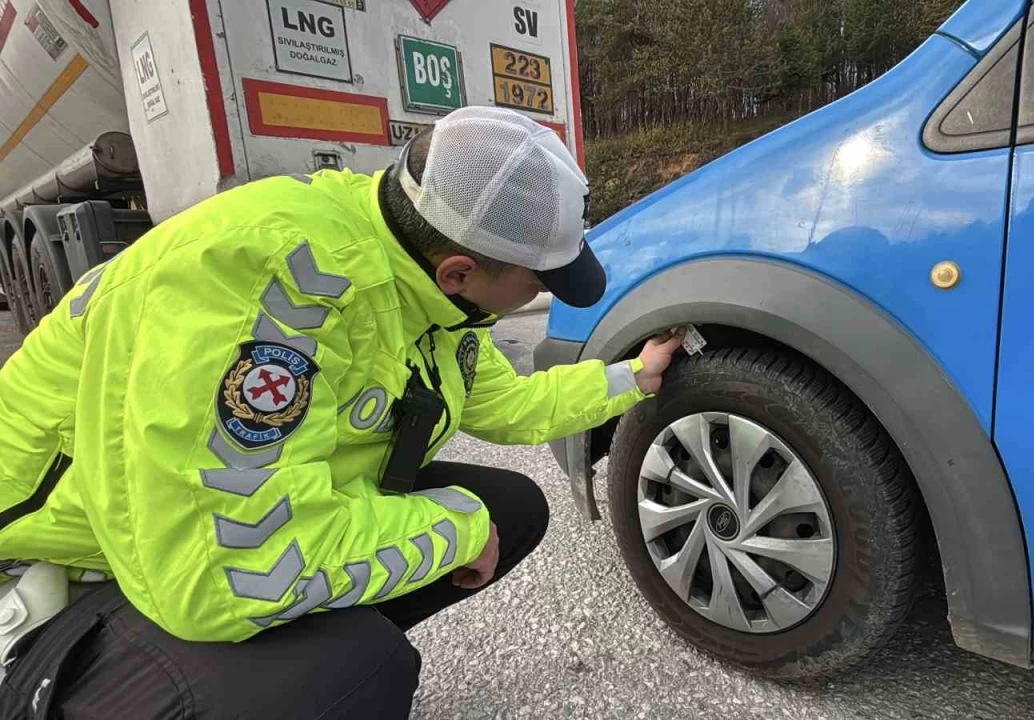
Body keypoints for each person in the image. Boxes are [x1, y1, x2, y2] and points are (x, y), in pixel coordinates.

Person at [0, 106, 684, 718]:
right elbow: (223, 572)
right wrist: (458, 530)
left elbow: (510, 406)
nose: (543, 293)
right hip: (79, 558)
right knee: (360, 668)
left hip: (188, 526)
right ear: (458, 270)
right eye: (539, 281)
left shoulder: (427, 277)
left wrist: (632, 378)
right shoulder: (269, 295)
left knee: (511, 509)